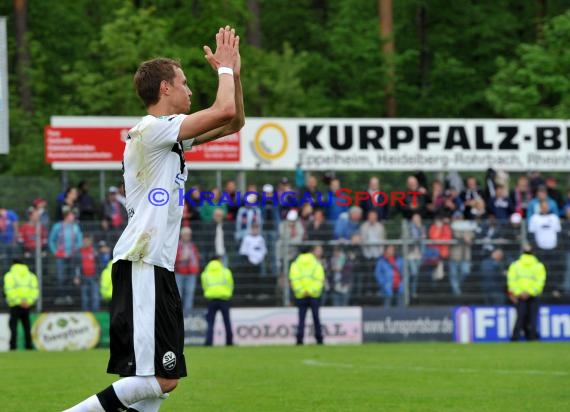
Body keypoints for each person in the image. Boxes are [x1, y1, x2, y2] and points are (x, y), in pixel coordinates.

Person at [64, 26, 243, 412]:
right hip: (142, 263)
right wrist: (223, 71)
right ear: (165, 88)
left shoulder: (168, 138)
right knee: (161, 378)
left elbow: (234, 123)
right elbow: (223, 110)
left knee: (158, 383)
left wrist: (235, 75)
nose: (190, 90)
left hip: (155, 265)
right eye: (184, 82)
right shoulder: (151, 131)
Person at [507, 245, 546, 342]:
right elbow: (540, 282)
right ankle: (532, 336)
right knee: (533, 317)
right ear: (533, 253)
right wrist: (531, 292)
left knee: (520, 317)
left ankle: (515, 337)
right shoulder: (539, 266)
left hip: (519, 296)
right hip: (533, 295)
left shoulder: (515, 265)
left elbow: (511, 281)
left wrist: (519, 292)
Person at [289, 245, 325, 345]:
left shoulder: (295, 265)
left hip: (301, 296)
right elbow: (320, 280)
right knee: (316, 317)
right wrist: (311, 290)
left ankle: (299, 339)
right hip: (314, 295)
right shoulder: (316, 264)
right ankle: (319, 338)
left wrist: (302, 291)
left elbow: (294, 280)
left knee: (301, 318)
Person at [3, 259, 39, 350]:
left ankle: (13, 346)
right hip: (27, 305)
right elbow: (35, 290)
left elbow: (9, 290)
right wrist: (28, 302)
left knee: (13, 326)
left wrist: (18, 301)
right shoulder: (31, 276)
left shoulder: (9, 275)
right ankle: (29, 345)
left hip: (14, 305)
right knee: (27, 326)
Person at [201, 256, 234, 346]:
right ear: (219, 261)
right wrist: (228, 294)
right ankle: (229, 342)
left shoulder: (205, 273)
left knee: (210, 322)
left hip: (211, 299)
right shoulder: (226, 272)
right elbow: (230, 284)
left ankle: (208, 342)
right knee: (227, 321)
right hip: (224, 299)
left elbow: (204, 286)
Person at [174, 227, 201, 315]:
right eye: (185, 234)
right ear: (181, 235)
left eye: (189, 234)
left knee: (190, 293)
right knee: (179, 294)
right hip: (179, 272)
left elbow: (197, 258)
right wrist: (180, 258)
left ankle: (188, 314)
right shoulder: (176, 246)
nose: (187, 236)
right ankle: (178, 314)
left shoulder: (192, 246)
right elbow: (172, 258)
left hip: (191, 273)